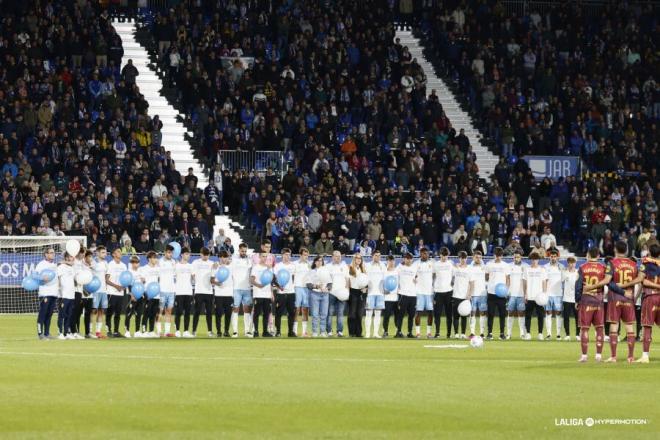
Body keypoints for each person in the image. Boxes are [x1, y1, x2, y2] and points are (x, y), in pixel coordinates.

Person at [605, 241, 644, 363]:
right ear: (626, 251)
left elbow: (609, 283)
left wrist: (620, 288)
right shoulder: (633, 264)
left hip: (615, 298)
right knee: (629, 327)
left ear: (615, 250)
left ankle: (613, 356)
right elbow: (640, 279)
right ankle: (631, 356)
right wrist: (632, 292)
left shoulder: (611, 263)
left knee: (614, 326)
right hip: (629, 298)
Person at [576, 247, 616, 362]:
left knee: (584, 329)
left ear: (588, 254)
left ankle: (584, 356)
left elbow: (578, 286)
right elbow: (610, 284)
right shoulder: (603, 268)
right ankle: (598, 355)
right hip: (599, 301)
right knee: (599, 328)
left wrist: (577, 300)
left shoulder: (582, 267)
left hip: (586, 300)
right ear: (598, 256)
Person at [636, 244, 660, 363]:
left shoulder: (645, 263)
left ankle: (645, 356)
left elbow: (642, 280)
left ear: (649, 252)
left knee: (647, 326)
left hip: (650, 296)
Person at [485, 247, 510, 340]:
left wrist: (506, 289)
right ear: (494, 255)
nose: (498, 257)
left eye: (499, 255)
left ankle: (502, 333)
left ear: (502, 256)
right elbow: (486, 276)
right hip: (491, 292)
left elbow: (508, 278)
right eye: (496, 255)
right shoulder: (489, 264)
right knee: (490, 313)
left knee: (502, 314)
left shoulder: (505, 265)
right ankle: (489, 333)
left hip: (501, 294)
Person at [192, 247, 216, 337]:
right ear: (200, 254)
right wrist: (195, 279)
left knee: (209, 312)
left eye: (207, 255)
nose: (206, 257)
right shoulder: (195, 262)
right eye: (204, 255)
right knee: (197, 312)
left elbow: (213, 277)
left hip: (209, 291)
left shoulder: (212, 263)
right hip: (198, 291)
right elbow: (193, 274)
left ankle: (210, 331)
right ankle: (194, 331)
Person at [230, 243, 253, 337]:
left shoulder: (250, 260)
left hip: (247, 288)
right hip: (236, 288)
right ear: (239, 250)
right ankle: (235, 331)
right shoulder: (233, 259)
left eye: (245, 251)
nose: (244, 252)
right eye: (242, 251)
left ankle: (247, 331)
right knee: (235, 309)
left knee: (247, 310)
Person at [523, 252, 547, 341]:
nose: (534, 261)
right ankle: (528, 333)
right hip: (529, 296)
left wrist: (544, 294)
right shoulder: (527, 269)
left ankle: (540, 333)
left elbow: (544, 282)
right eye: (532, 259)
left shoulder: (542, 270)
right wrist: (524, 294)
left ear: (538, 260)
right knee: (528, 315)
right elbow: (524, 282)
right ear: (530, 260)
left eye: (536, 259)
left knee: (540, 316)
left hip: (539, 297)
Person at [105, 248, 127, 338]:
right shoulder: (110, 265)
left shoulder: (124, 266)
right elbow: (106, 280)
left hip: (120, 293)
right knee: (110, 312)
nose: (120, 253)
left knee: (118, 313)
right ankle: (108, 331)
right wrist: (116, 286)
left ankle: (116, 331)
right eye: (118, 251)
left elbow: (126, 278)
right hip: (111, 292)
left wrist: (124, 286)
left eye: (120, 251)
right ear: (113, 254)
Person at [432, 247, 454, 339]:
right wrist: (434, 288)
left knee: (449, 314)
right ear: (440, 255)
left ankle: (449, 333)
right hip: (438, 292)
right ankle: (437, 332)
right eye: (443, 255)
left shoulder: (451, 264)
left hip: (449, 292)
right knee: (437, 314)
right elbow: (433, 276)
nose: (444, 257)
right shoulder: (436, 264)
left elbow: (453, 276)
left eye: (446, 255)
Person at [274, 248, 296, 337]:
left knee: (291, 313)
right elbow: (274, 279)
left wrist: (292, 286)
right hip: (281, 293)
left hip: (291, 292)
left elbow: (294, 278)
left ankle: (290, 332)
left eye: (289, 255)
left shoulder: (293, 266)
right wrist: (279, 287)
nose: (287, 256)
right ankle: (278, 331)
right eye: (286, 254)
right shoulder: (278, 266)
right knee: (279, 313)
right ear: (282, 255)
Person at [326, 251, 349, 337]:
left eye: (339, 256)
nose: (338, 258)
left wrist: (347, 290)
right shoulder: (328, 266)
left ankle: (340, 331)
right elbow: (326, 279)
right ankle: (329, 331)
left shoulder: (344, 266)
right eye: (336, 256)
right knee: (330, 313)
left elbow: (347, 279)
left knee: (340, 313)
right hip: (331, 293)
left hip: (342, 293)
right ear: (332, 257)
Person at [251, 252, 273, 337]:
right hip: (258, 294)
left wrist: (271, 293)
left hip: (267, 294)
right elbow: (252, 280)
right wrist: (259, 285)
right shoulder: (255, 267)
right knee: (256, 313)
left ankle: (265, 331)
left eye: (266, 257)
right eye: (263, 256)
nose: (264, 258)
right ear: (259, 257)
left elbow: (270, 282)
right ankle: (255, 331)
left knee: (266, 314)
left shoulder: (269, 268)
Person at [364, 251, 386, 338]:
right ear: (372, 256)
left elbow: (385, 279)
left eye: (379, 256)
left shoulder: (383, 266)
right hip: (370, 293)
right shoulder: (367, 265)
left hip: (380, 294)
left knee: (378, 314)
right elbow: (364, 278)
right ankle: (367, 333)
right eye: (376, 256)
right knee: (368, 313)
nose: (378, 257)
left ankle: (376, 333)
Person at [544, 249, 565, 340]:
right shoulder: (545, 267)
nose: (553, 258)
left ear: (557, 257)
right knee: (548, 313)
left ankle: (558, 334)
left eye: (554, 256)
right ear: (549, 257)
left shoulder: (562, 267)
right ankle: (548, 334)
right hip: (548, 294)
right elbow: (544, 280)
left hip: (558, 293)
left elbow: (564, 281)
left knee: (558, 313)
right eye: (551, 256)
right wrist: (544, 292)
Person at [212, 250, 233, 337]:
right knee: (218, 313)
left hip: (229, 294)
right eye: (221, 257)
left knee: (228, 314)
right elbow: (211, 280)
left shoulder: (231, 267)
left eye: (225, 257)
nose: (223, 259)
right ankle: (219, 331)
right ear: (219, 258)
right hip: (219, 294)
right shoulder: (215, 267)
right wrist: (217, 283)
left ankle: (226, 331)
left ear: (228, 257)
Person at [506, 251, 527, 339]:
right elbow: (507, 279)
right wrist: (507, 291)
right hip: (511, 294)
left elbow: (526, 280)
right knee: (510, 313)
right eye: (514, 257)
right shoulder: (509, 266)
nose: (516, 259)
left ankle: (522, 333)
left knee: (521, 313)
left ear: (521, 257)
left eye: (517, 257)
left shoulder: (525, 267)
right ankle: (508, 333)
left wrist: (526, 293)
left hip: (521, 294)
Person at [396, 252, 417, 338]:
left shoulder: (414, 268)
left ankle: (409, 332)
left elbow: (417, 277)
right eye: (407, 258)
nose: (408, 260)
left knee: (411, 315)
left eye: (410, 258)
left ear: (412, 259)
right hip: (403, 294)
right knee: (400, 315)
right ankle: (399, 332)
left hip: (413, 295)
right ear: (404, 259)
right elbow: (394, 276)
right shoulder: (400, 267)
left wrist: (416, 279)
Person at [307, 256, 330, 337]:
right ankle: (315, 332)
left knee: (324, 314)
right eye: (318, 261)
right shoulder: (311, 272)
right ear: (315, 262)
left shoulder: (326, 271)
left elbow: (330, 283)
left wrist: (327, 288)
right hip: (315, 294)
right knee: (315, 314)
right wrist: (316, 286)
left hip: (325, 294)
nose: (320, 262)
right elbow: (308, 284)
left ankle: (323, 332)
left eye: (321, 261)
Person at [140, 251, 161, 337]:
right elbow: (142, 281)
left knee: (154, 313)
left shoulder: (158, 269)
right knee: (146, 312)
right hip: (148, 294)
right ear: (149, 259)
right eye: (154, 257)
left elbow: (159, 279)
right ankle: (144, 331)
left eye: (156, 257)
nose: (156, 259)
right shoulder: (144, 268)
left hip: (157, 294)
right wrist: (145, 292)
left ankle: (151, 330)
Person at [414, 248, 434, 338]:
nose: (424, 255)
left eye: (426, 253)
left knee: (430, 312)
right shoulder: (416, 264)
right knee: (418, 312)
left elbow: (435, 275)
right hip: (419, 292)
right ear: (420, 254)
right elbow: (412, 275)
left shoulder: (432, 263)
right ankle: (418, 333)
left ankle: (429, 332)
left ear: (428, 254)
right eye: (422, 253)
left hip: (429, 292)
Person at [174, 248, 194, 337]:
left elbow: (193, 280)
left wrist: (194, 278)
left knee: (187, 312)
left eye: (189, 254)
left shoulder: (191, 266)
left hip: (188, 292)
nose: (188, 256)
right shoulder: (176, 265)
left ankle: (186, 331)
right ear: (181, 254)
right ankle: (177, 330)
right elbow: (173, 278)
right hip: (179, 292)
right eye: (186, 254)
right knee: (178, 312)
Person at [468, 251, 487, 338]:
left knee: (482, 313)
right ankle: (472, 332)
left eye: (480, 257)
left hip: (482, 293)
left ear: (482, 258)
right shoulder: (470, 268)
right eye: (476, 257)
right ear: (473, 257)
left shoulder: (485, 268)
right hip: (473, 294)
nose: (478, 259)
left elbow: (488, 278)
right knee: (472, 313)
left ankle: (482, 333)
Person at [57, 252, 76, 339]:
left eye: (71, 256)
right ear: (65, 257)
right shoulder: (61, 267)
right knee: (62, 314)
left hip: (71, 295)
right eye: (68, 256)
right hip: (63, 295)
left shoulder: (72, 268)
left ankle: (66, 333)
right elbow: (57, 278)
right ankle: (60, 332)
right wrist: (60, 289)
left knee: (69, 314)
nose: (70, 258)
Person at [71, 248, 90, 338]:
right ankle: (72, 331)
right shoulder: (74, 262)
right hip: (73, 290)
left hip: (79, 290)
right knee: (74, 311)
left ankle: (74, 331)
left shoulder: (81, 263)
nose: (83, 255)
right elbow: (73, 276)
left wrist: (83, 290)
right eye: (83, 253)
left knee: (77, 311)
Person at [158, 245, 177, 337]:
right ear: (165, 252)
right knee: (160, 310)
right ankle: (158, 331)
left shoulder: (174, 262)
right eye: (169, 252)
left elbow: (175, 275)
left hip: (171, 290)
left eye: (171, 253)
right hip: (162, 290)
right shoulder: (160, 262)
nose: (170, 254)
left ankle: (167, 332)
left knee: (169, 311)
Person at [347, 254, 368, 337]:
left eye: (360, 258)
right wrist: (348, 292)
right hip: (353, 292)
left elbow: (366, 280)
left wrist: (365, 288)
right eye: (357, 258)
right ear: (354, 259)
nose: (359, 260)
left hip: (361, 293)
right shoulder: (350, 268)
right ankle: (351, 332)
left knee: (360, 313)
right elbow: (348, 280)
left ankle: (358, 333)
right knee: (352, 313)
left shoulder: (363, 269)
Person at [451, 252, 471, 339]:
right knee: (455, 316)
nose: (463, 259)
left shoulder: (469, 269)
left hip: (465, 296)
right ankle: (456, 334)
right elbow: (451, 278)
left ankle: (463, 333)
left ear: (466, 258)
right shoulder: (455, 268)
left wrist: (469, 294)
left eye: (464, 258)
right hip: (456, 295)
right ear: (459, 258)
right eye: (461, 258)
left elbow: (471, 283)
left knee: (464, 315)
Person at [91, 246, 109, 338]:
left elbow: (106, 276)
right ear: (97, 253)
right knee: (93, 311)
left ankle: (98, 332)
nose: (105, 254)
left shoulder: (106, 263)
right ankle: (90, 331)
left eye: (105, 252)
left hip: (103, 290)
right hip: (95, 290)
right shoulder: (93, 262)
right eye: (102, 252)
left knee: (101, 311)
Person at [293, 247, 311, 337]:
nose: (306, 256)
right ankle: (294, 331)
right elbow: (292, 276)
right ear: (300, 255)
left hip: (306, 289)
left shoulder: (310, 265)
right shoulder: (295, 264)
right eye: (304, 255)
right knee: (296, 309)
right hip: (297, 287)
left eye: (307, 255)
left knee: (305, 309)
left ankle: (304, 331)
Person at [126, 255, 145, 337]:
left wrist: (143, 281)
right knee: (129, 313)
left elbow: (142, 283)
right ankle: (127, 331)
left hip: (140, 295)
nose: (135, 264)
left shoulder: (141, 272)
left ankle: (137, 331)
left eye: (137, 262)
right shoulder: (129, 272)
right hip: (131, 295)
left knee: (139, 313)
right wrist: (131, 294)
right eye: (133, 262)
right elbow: (128, 284)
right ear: (131, 263)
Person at [561, 257, 579, 341]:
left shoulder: (578, 273)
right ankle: (567, 334)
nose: (571, 265)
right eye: (570, 263)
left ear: (575, 263)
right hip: (566, 299)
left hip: (576, 299)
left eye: (573, 263)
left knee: (578, 318)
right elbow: (561, 280)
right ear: (567, 263)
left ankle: (578, 334)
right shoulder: (564, 273)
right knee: (566, 317)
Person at [381, 256, 399, 337]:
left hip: (396, 297)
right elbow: (380, 283)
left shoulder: (397, 271)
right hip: (387, 298)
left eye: (392, 260)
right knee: (386, 316)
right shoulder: (384, 272)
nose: (391, 262)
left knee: (397, 316)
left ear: (394, 261)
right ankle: (385, 331)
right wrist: (383, 291)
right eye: (389, 260)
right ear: (387, 261)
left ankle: (398, 331)